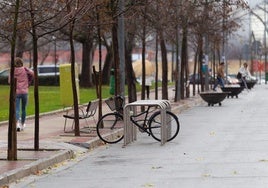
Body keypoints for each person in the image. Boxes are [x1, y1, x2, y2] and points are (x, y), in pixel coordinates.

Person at [9, 57, 34, 131]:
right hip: (25, 92)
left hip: (16, 92)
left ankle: (17, 124)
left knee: (16, 109)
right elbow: (32, 74)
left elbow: (10, 81)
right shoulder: (25, 70)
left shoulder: (12, 71)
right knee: (23, 109)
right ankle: (22, 124)